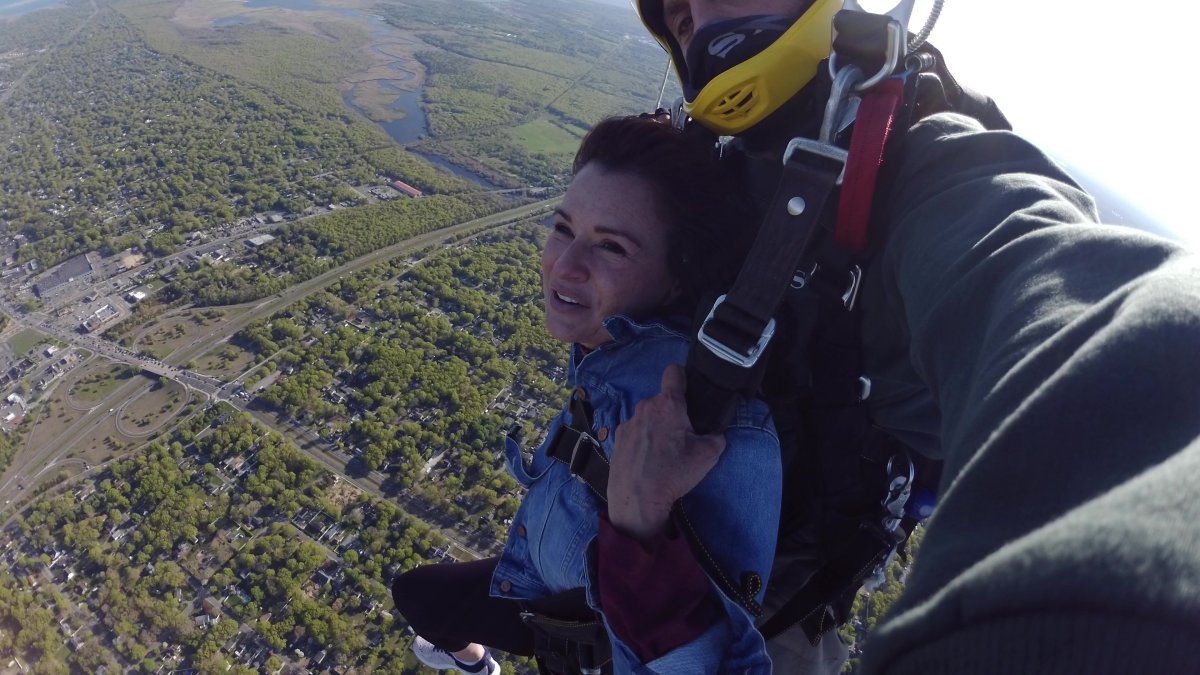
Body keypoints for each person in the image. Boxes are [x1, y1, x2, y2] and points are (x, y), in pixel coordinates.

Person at [595, 1, 1200, 674]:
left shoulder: (925, 169)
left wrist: (1095, 606)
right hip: (627, 558)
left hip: (762, 628)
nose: (700, 13)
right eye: (677, 11)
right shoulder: (714, 167)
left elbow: (1088, 320)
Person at [390, 116, 784, 674]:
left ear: (678, 277)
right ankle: (477, 663)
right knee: (423, 598)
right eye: (563, 227)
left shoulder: (711, 424)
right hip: (550, 583)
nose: (565, 265)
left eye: (612, 247)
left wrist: (639, 524)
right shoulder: (617, 347)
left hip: (598, 635)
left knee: (425, 600)